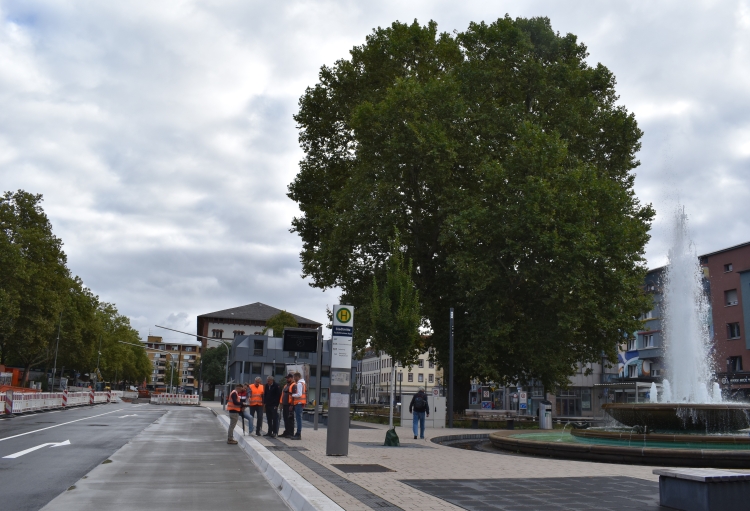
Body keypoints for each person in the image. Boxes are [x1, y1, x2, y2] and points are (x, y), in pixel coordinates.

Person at [290, 372, 306, 440]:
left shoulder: (299, 384)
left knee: (298, 419)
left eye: (294, 377)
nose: (294, 378)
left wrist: (292, 395)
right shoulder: (303, 383)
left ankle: (298, 434)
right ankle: (298, 433)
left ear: (297, 377)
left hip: (298, 403)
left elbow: (299, 394)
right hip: (301, 403)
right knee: (298, 419)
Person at [279, 373, 295, 438]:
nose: (287, 379)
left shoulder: (293, 385)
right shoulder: (286, 386)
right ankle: (286, 431)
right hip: (285, 404)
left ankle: (290, 433)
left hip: (290, 405)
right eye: (287, 378)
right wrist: (281, 403)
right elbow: (282, 395)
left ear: (291, 378)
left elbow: (293, 396)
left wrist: (292, 405)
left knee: (290, 419)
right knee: (285, 419)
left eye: (288, 378)